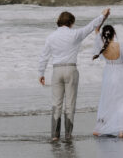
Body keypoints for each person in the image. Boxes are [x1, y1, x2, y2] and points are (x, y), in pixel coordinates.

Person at [38, 8, 110, 141]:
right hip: (71, 69)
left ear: (59, 22)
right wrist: (103, 16)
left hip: (57, 70)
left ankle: (54, 135)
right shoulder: (75, 34)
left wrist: (41, 73)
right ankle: (68, 135)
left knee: (56, 103)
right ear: (71, 22)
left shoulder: (51, 37)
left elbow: (44, 56)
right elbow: (91, 26)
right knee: (70, 104)